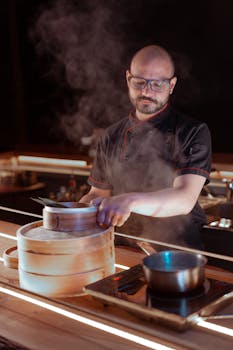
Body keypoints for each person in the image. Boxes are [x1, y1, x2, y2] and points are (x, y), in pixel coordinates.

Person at [80, 45, 212, 250]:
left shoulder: (193, 131)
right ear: (128, 79)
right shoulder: (111, 135)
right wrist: (79, 210)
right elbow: (98, 193)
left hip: (178, 250)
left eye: (157, 84)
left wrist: (129, 201)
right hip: (123, 247)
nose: (146, 91)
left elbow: (184, 199)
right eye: (139, 82)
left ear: (172, 85)